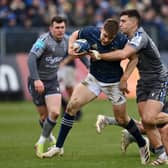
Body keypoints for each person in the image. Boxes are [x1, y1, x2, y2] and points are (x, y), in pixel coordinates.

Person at [42, 18, 150, 165]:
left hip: (114, 83)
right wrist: (70, 48)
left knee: (122, 119)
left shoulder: (121, 40)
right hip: (94, 78)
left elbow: (134, 58)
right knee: (71, 106)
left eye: (109, 38)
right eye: (104, 35)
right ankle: (59, 147)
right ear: (101, 29)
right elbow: (75, 34)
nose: (105, 40)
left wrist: (125, 77)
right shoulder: (91, 32)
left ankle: (142, 143)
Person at [91, 9, 168, 165]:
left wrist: (99, 55)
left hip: (158, 80)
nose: (120, 24)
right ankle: (161, 155)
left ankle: (119, 127)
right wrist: (124, 77)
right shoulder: (126, 37)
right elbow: (130, 58)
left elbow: (123, 54)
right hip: (143, 82)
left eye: (124, 21)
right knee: (147, 123)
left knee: (149, 118)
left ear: (134, 22)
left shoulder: (140, 37)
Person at [27, 15, 68, 158]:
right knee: (44, 117)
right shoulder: (43, 40)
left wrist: (88, 66)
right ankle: (52, 140)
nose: (60, 30)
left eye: (62, 27)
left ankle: (40, 142)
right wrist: (37, 80)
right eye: (57, 27)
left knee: (55, 113)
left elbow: (77, 53)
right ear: (51, 28)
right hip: (37, 81)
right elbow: (31, 58)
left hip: (52, 82)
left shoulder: (67, 41)